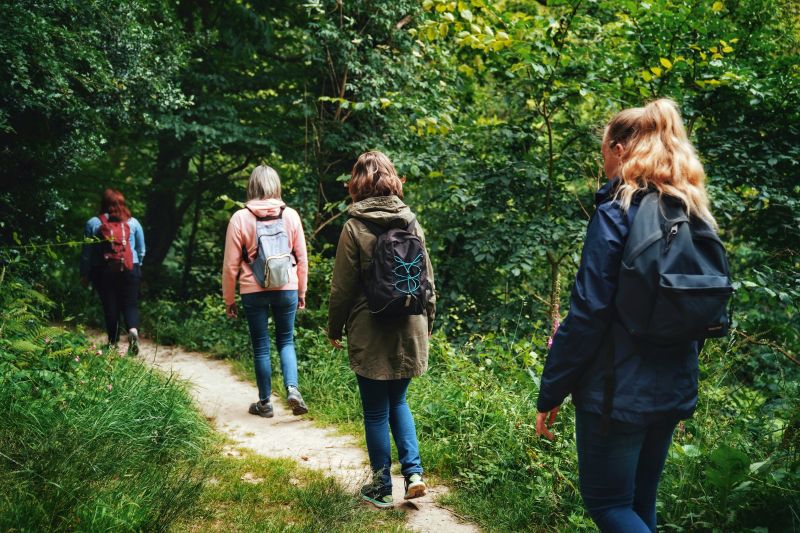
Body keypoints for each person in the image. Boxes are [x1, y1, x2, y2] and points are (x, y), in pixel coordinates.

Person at [535, 99, 715, 532]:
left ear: (619, 150)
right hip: (673, 385)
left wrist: (551, 391)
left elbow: (588, 314)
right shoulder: (691, 211)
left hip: (616, 393)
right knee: (638, 502)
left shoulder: (616, 213)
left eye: (604, 152)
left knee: (609, 505)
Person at [327, 151, 436, 508]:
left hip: (369, 327)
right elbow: (428, 279)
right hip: (410, 324)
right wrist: (428, 323)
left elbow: (342, 287)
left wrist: (335, 327)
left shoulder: (354, 226)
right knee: (399, 401)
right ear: (392, 179)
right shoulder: (410, 221)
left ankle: (381, 486)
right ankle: (415, 474)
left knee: (375, 411)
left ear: (356, 184)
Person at [222, 165, 309, 418]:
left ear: (251, 187)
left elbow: (230, 266)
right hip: (287, 288)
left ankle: (264, 403)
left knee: (261, 346)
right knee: (286, 340)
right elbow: (302, 259)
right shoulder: (290, 215)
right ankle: (292, 389)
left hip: (253, 290)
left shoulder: (240, 218)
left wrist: (229, 299)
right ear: (276, 186)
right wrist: (301, 291)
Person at [80, 188, 146, 355]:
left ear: (103, 203)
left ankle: (113, 343)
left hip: (104, 270)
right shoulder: (133, 223)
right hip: (131, 269)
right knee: (130, 304)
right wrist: (137, 267)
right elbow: (141, 249)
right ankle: (132, 330)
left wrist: (85, 273)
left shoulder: (93, 223)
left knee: (110, 305)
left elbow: (87, 253)